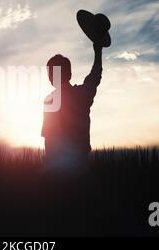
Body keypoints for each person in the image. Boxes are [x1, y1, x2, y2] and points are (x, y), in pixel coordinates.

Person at [41, 10, 111, 172]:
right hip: (79, 164)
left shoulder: (49, 100)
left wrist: (48, 167)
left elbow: (48, 139)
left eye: (51, 72)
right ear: (70, 74)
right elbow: (94, 77)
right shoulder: (81, 95)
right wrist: (98, 52)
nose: (50, 76)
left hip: (57, 167)